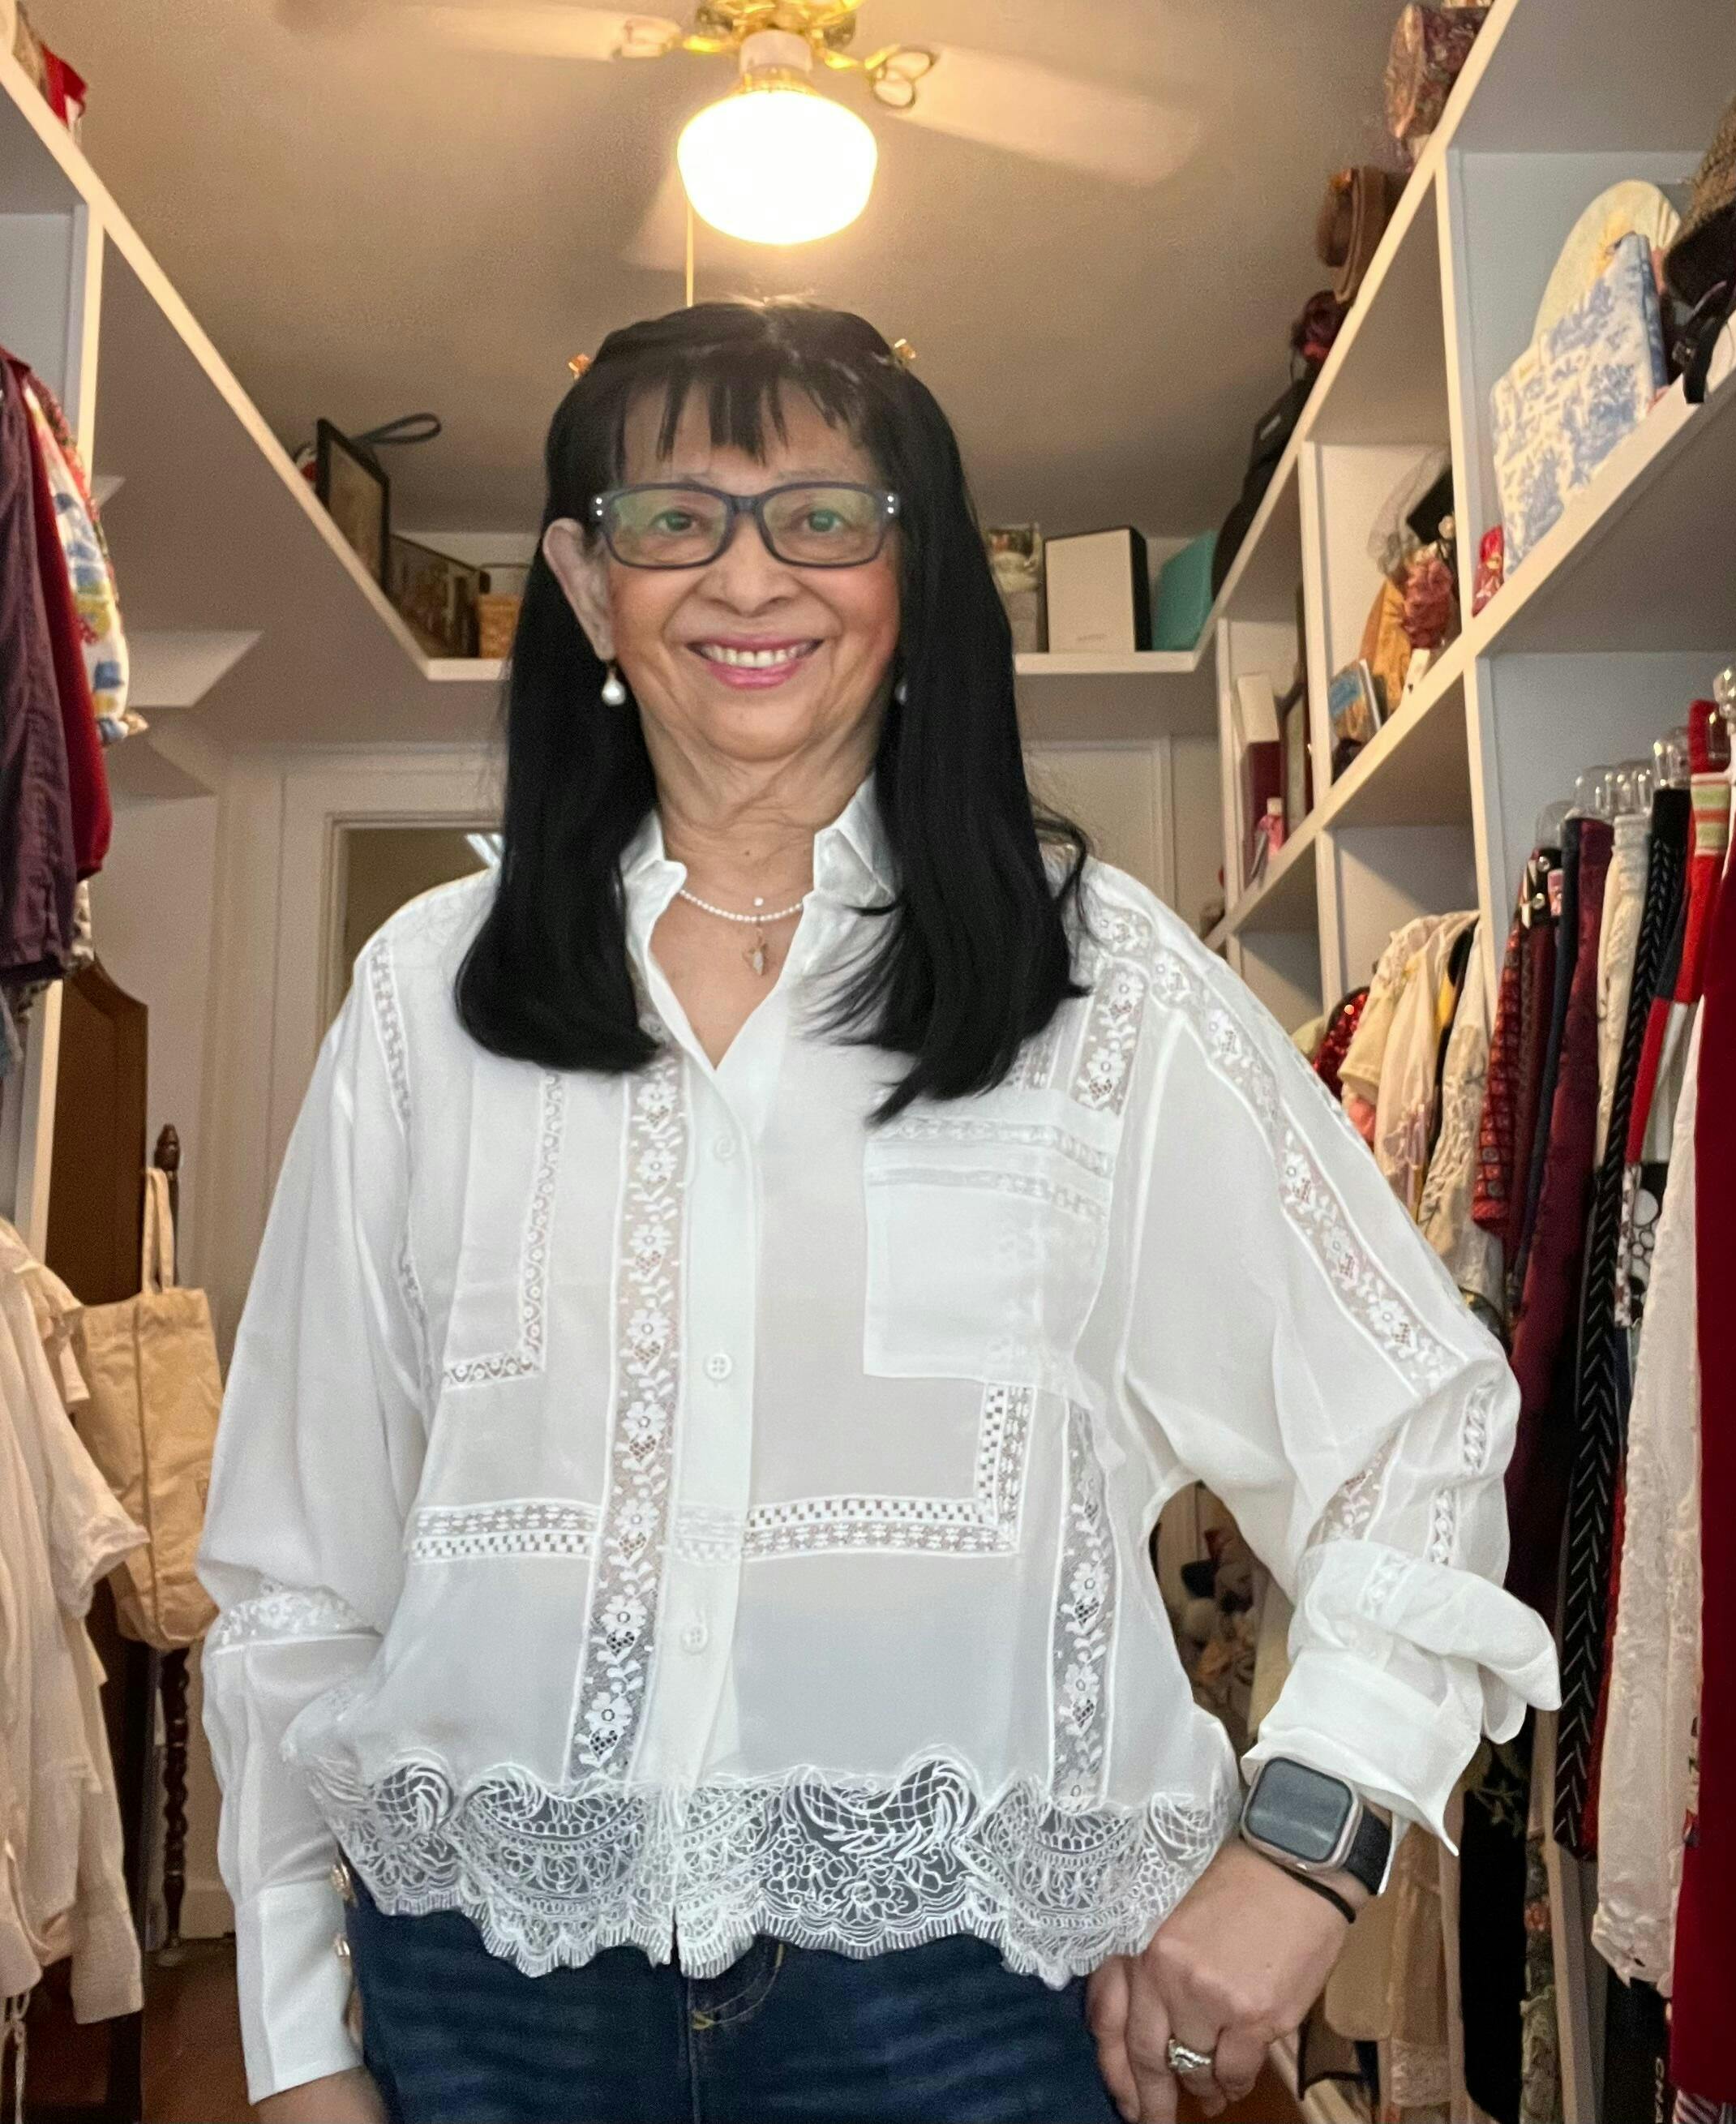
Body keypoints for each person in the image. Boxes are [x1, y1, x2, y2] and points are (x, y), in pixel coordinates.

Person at [197, 299, 1558, 2124]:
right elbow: (298, 1573)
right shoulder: (421, 1002)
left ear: (912, 580)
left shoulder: (1104, 992)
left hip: (969, 2022)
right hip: (489, 2011)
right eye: (675, 517)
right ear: (588, 589)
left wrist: (1309, 1847)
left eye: (822, 515)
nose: (748, 573)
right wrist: (294, 2041)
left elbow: (1419, 1419)